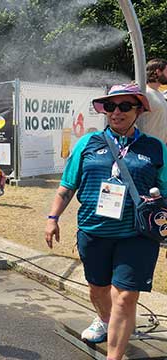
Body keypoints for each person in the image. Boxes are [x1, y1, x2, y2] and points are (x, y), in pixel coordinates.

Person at [45, 83, 167, 360]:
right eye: (111, 106)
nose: (117, 112)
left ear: (139, 110)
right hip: (94, 231)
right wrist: (52, 218)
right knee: (98, 290)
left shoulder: (156, 148)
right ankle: (103, 319)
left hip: (137, 235)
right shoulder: (87, 144)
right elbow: (67, 186)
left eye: (125, 106)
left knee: (125, 297)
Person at [136, 59, 167, 143]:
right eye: (166, 71)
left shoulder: (159, 94)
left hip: (159, 147)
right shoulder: (144, 93)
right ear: (158, 72)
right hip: (146, 147)